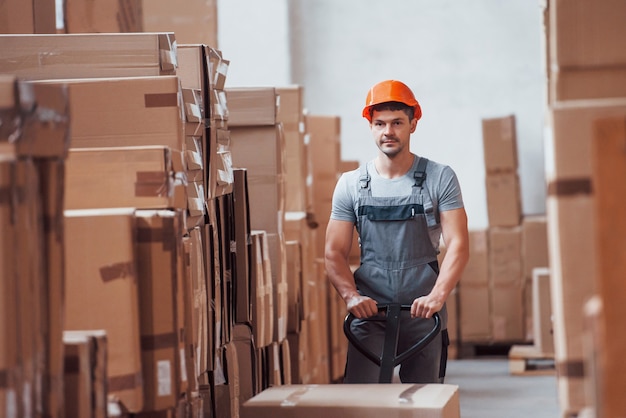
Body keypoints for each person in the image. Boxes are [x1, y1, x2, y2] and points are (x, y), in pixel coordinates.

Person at [324, 79, 469, 384]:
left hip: (423, 312)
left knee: (424, 399)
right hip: (370, 312)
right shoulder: (351, 184)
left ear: (412, 125)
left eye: (397, 123)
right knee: (362, 401)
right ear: (371, 126)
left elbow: (458, 245)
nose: (388, 131)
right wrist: (351, 297)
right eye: (380, 123)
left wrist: (437, 296)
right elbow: (333, 252)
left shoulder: (439, 177)